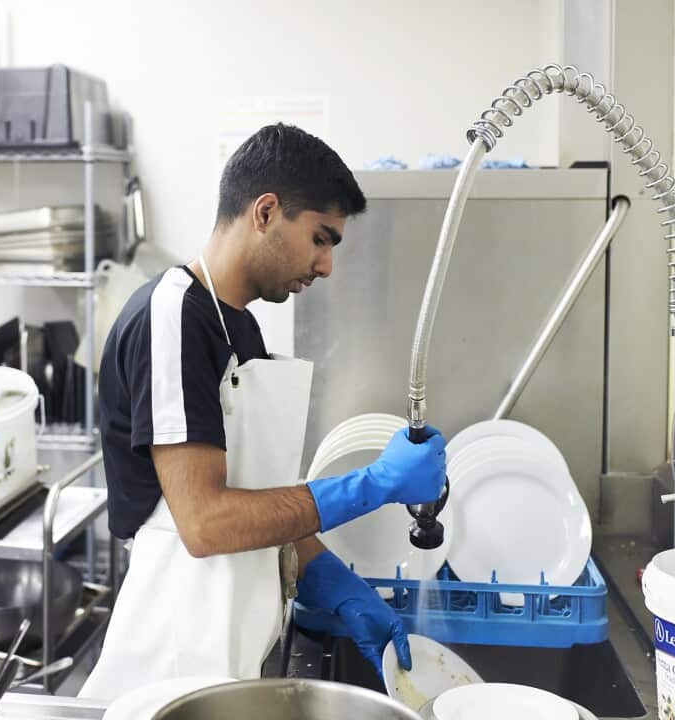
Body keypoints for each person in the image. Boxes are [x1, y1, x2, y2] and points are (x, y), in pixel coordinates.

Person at [79, 123, 447, 701]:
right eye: (321, 238)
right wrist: (376, 485)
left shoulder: (240, 326)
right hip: (175, 660)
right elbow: (204, 522)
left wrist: (334, 582)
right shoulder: (173, 316)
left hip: (234, 654)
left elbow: (258, 497)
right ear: (267, 212)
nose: (326, 266)